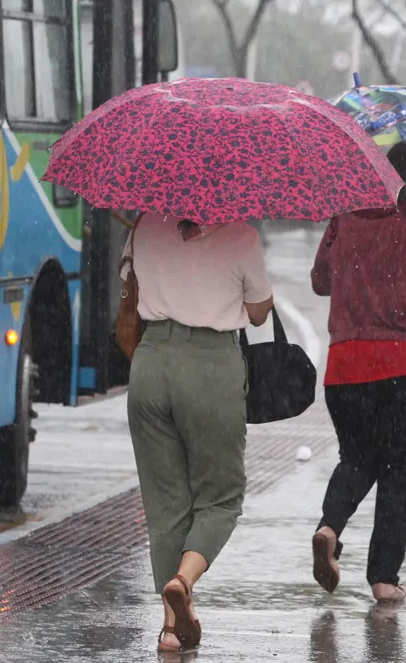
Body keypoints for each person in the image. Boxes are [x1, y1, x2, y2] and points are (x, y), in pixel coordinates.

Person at [310, 141, 406, 603]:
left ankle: (329, 527)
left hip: (347, 366)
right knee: (398, 467)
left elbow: (320, 281)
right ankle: (383, 576)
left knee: (356, 457)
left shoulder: (345, 218)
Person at [121, 213, 274, 652]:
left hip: (150, 365)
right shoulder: (241, 236)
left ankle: (171, 629)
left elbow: (129, 282)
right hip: (211, 370)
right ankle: (183, 581)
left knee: (166, 503)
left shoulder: (144, 226)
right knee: (220, 497)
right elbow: (260, 314)